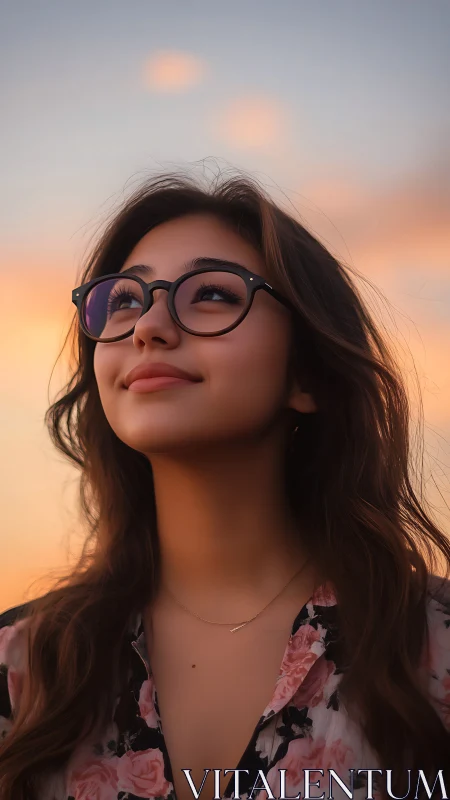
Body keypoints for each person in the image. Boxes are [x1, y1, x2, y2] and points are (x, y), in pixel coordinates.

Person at [0, 167, 449, 800]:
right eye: (124, 299)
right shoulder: (21, 670)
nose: (148, 327)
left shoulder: (434, 650)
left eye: (211, 294)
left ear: (308, 376)